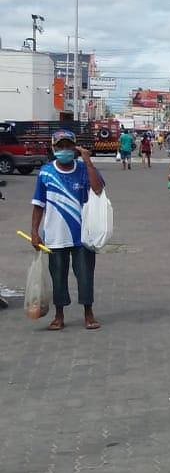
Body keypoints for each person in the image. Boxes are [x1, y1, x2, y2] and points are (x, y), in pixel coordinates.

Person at [30, 130, 105, 331]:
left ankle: (88, 313)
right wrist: (34, 232)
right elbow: (38, 204)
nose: (64, 150)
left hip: (83, 235)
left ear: (75, 148)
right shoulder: (46, 172)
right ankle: (59, 315)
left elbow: (97, 189)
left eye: (68, 146)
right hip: (55, 236)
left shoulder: (83, 169)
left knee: (85, 275)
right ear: (54, 148)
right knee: (58, 276)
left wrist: (88, 161)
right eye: (60, 146)